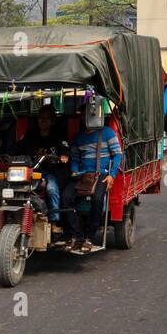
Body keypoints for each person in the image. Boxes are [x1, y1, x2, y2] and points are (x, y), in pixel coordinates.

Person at [62, 98, 123, 254]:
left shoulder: (108, 133)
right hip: (82, 176)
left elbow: (117, 155)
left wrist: (112, 175)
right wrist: (74, 171)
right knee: (66, 197)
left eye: (89, 113)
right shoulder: (78, 137)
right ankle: (76, 235)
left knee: (97, 200)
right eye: (84, 114)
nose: (86, 116)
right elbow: (75, 158)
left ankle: (89, 237)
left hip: (101, 175)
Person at [22, 104, 69, 233]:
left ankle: (54, 221)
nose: (43, 120)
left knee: (52, 189)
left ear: (53, 121)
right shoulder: (30, 134)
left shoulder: (59, 135)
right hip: (31, 169)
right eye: (41, 118)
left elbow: (65, 149)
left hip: (50, 171)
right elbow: (19, 147)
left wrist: (64, 156)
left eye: (47, 118)